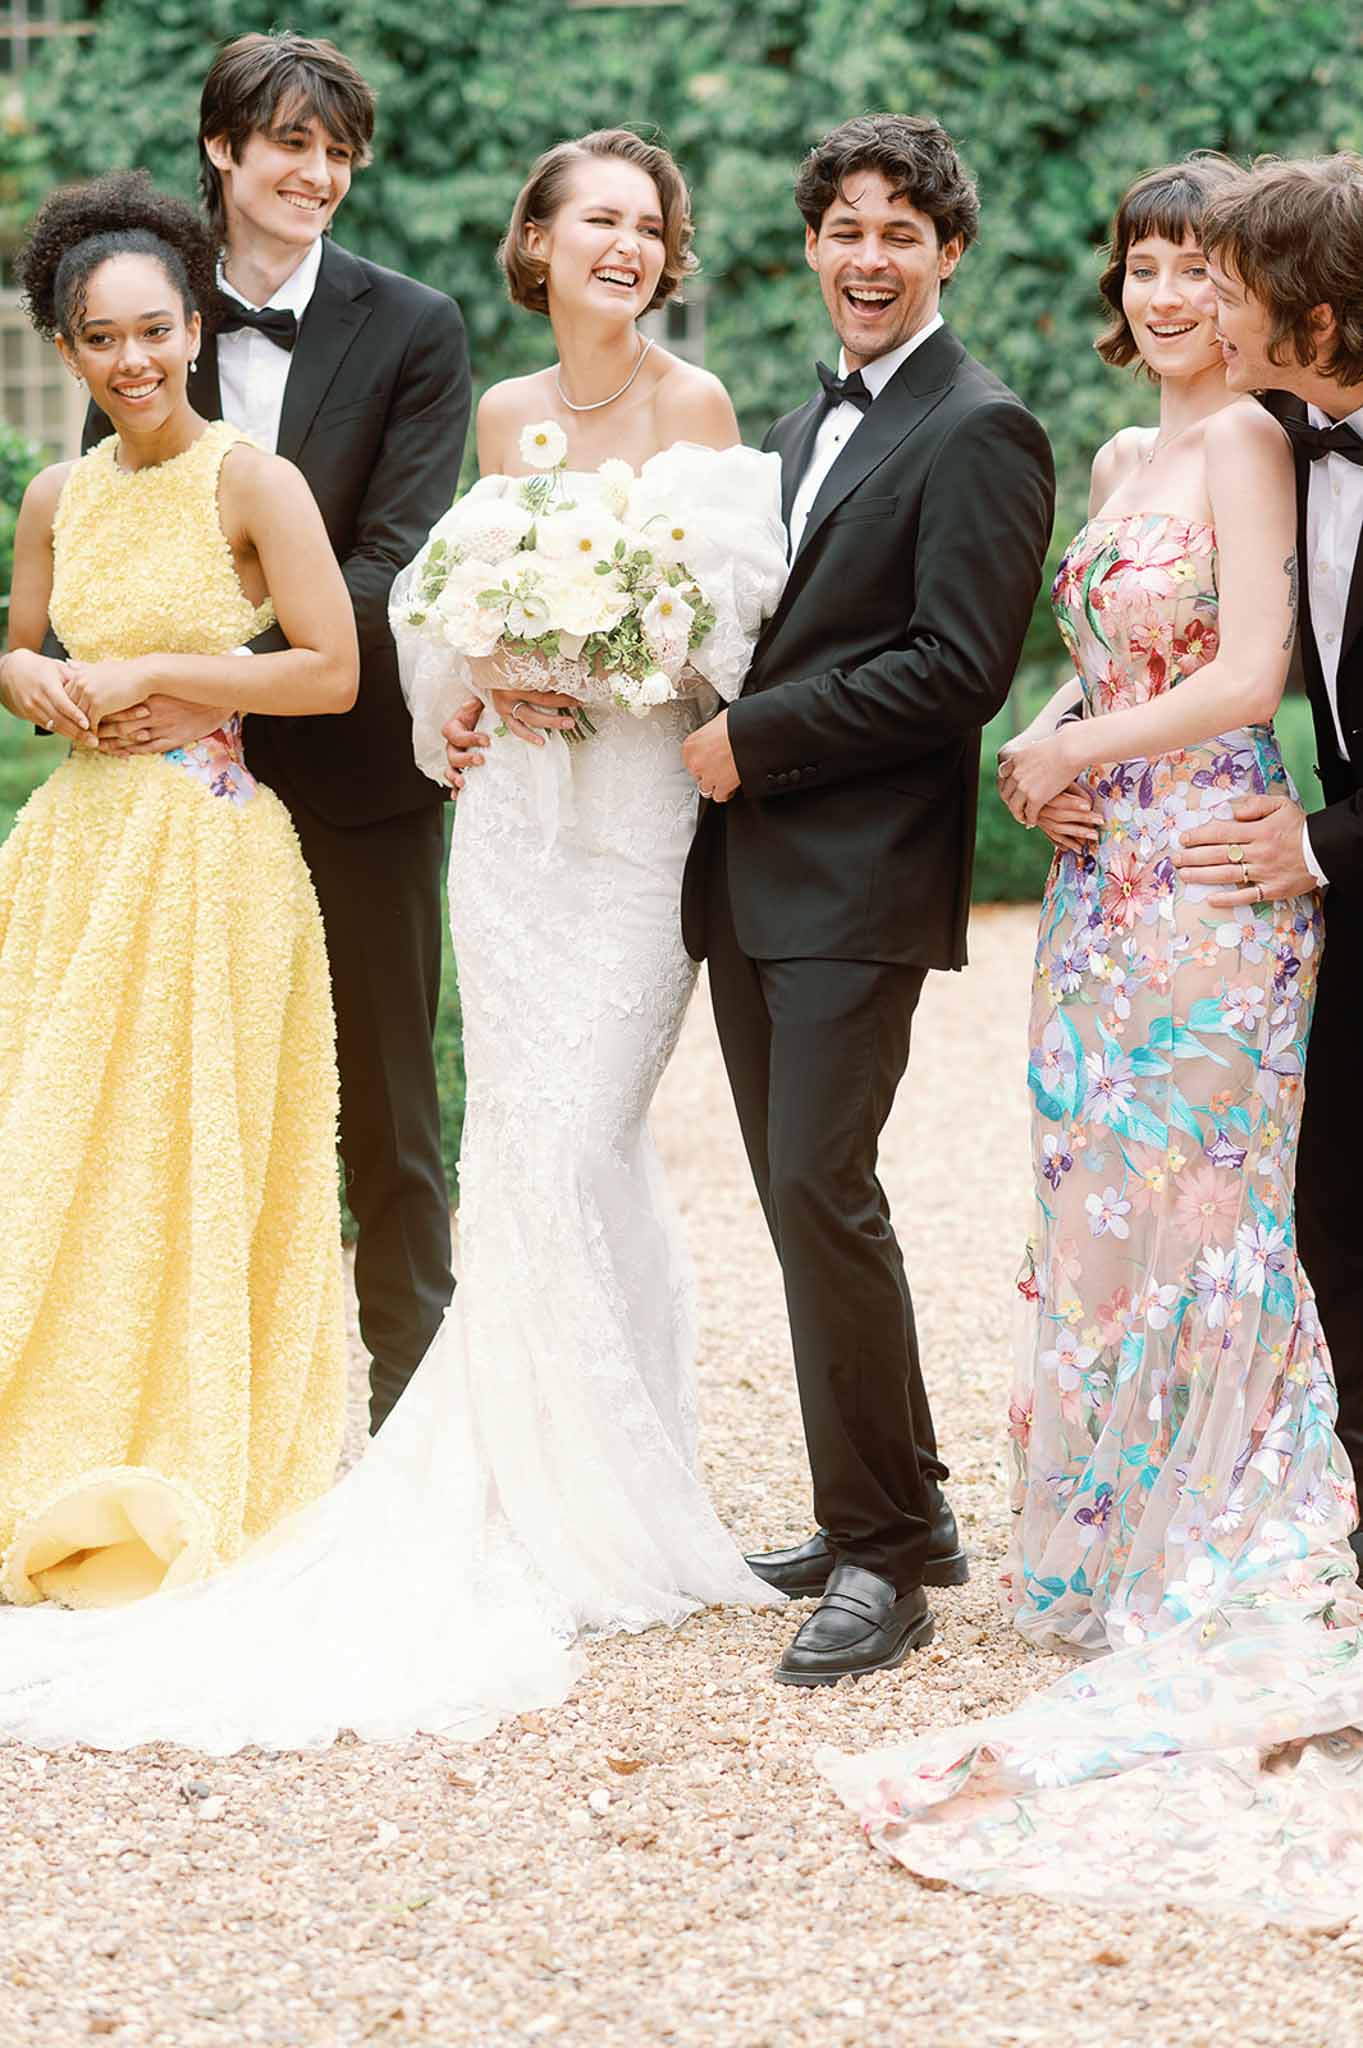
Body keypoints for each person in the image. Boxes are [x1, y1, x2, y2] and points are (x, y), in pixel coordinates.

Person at [0, 130, 786, 1748]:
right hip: (186, 838)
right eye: (596, 224)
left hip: (607, 814)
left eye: (648, 225)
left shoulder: (673, 410)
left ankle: (580, 1478)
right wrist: (488, 687)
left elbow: (708, 626)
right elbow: (442, 615)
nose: (138, 354)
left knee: (553, 1140)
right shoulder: (491, 416)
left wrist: (619, 672)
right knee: (90, 1140)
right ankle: (523, 1461)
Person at [819, 157, 1363, 1930]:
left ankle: (1229, 1534)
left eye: (1200, 270)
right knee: (1105, 1210)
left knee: (1217, 1206)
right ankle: (1127, 1524)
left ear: (1254, 297)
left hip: (1209, 858)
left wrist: (1085, 750)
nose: (1168, 297)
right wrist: (1044, 742)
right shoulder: (1124, 457)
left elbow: (1256, 672)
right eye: (1141, 266)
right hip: (1108, 887)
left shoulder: (1253, 445)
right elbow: (1098, 657)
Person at [677, 114, 1055, 1686]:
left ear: (948, 250)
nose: (869, 257)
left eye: (902, 231)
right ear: (813, 246)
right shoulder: (782, 428)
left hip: (855, 878)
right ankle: (898, 1512)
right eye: (844, 229)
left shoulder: (983, 428)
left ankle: (885, 1562)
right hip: (752, 878)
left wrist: (747, 740)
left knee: (824, 1191)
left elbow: (956, 671)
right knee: (797, 1198)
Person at [78, 32, 470, 1432]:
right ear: (223, 148)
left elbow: (398, 563)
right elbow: (114, 529)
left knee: (387, 1113)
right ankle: (221, 1422)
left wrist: (224, 678)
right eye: (288, 142)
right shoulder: (137, 314)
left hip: (355, 773)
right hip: (172, 789)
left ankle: (413, 1423)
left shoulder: (415, 326)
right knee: (185, 1100)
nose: (315, 172)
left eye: (336, 149)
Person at [0, 171, 358, 1608]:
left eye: (156, 329)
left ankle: (184, 1442)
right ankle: (53, 1432)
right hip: (76, 859)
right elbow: (23, 644)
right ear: (67, 349)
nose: (133, 360)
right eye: (100, 338)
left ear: (197, 326)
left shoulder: (254, 482)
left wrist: (164, 674)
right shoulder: (53, 493)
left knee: (181, 1150)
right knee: (58, 1149)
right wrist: (26, 676)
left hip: (209, 859)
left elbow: (328, 671)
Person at [1171, 153, 1363, 1572]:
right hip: (1344, 891)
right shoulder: (1283, 436)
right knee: (1331, 1211)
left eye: (1233, 294)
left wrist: (1308, 839)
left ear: (1317, 316)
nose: (1208, 315)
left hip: (1334, 853)